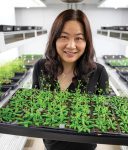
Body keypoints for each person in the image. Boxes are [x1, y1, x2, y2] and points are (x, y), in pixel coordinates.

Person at [32, 9, 108, 150]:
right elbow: (35, 104)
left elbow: (104, 113)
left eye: (79, 38)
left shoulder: (99, 72)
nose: (71, 46)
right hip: (51, 145)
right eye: (64, 37)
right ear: (54, 38)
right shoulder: (40, 67)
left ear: (87, 42)